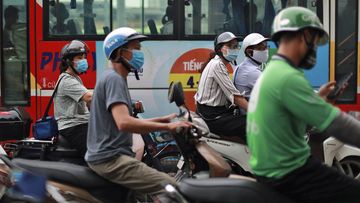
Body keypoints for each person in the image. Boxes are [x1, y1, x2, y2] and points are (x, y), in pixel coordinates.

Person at [246, 7, 360, 203]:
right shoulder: (288, 78)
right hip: (290, 173)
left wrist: (320, 102)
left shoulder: (273, 71)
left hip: (274, 171)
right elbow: (338, 125)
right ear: (304, 35)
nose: (315, 48)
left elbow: (295, 126)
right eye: (315, 41)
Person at [85, 27, 191, 201]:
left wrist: (164, 119)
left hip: (112, 156)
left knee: (141, 198)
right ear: (120, 52)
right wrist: (169, 126)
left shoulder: (114, 77)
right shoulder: (114, 79)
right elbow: (124, 122)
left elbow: (125, 120)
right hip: (111, 159)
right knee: (171, 185)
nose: (140, 53)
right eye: (136, 48)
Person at [195, 31, 248, 140]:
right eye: (230, 46)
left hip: (213, 113)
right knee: (252, 123)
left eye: (236, 46)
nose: (234, 49)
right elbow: (236, 97)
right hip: (213, 117)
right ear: (219, 49)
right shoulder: (217, 65)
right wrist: (256, 112)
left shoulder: (217, 63)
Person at [54, 40, 92, 158]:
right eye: (79, 58)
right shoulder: (67, 80)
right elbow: (89, 97)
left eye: (84, 57)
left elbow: (88, 103)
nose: (83, 60)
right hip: (73, 127)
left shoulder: (75, 78)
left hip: (81, 123)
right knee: (97, 157)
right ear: (69, 61)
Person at [233, 33, 269, 99]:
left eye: (266, 47)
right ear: (249, 52)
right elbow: (271, 93)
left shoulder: (240, 67)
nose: (266, 51)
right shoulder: (252, 72)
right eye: (261, 48)